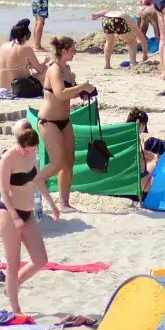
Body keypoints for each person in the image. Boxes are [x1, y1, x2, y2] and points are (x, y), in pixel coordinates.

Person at [0, 122, 61, 314]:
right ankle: (16, 309)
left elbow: (37, 180)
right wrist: (15, 217)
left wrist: (52, 204)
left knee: (40, 259)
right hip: (9, 212)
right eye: (27, 150)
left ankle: (12, 285)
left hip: (28, 212)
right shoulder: (8, 158)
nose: (30, 153)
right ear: (20, 145)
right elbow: (3, 192)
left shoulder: (32, 155)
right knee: (13, 262)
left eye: (33, 150)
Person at [35, 36, 96, 212]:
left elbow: (70, 93)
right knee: (57, 162)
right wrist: (82, 86)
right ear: (63, 51)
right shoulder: (54, 69)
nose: (74, 53)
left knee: (69, 162)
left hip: (65, 120)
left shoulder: (67, 69)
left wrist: (82, 93)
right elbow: (60, 93)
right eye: (72, 50)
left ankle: (64, 203)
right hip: (49, 121)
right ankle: (34, 181)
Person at [0, 19, 45, 90]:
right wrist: (45, 62)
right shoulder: (26, 49)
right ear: (25, 36)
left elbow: (15, 62)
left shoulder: (3, 46)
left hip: (1, 88)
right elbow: (40, 69)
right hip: (18, 88)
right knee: (46, 70)